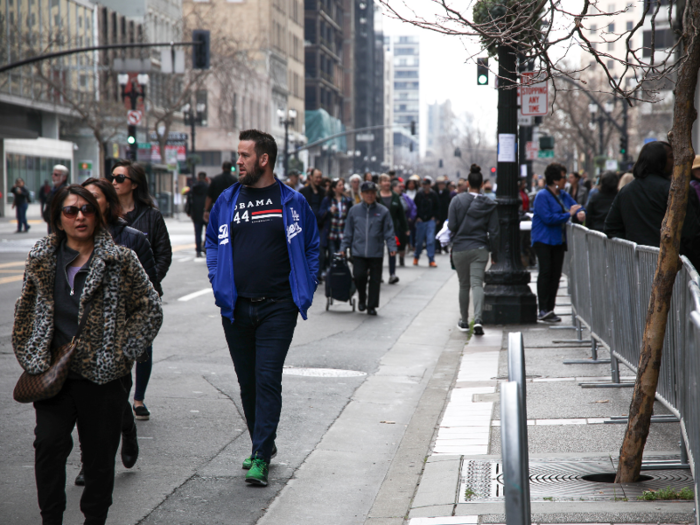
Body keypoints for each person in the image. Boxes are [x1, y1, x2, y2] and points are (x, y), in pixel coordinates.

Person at [13, 184, 162, 525]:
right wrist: (31, 355)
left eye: (87, 209)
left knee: (97, 460)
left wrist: (124, 351)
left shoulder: (120, 260)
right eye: (71, 210)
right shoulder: (41, 258)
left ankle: (94, 519)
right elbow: (25, 311)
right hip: (53, 377)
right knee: (48, 448)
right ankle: (51, 518)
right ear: (58, 218)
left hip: (103, 379)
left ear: (98, 215)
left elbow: (150, 308)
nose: (80, 216)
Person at [206, 129, 319, 487]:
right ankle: (262, 443)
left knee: (267, 378)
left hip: (278, 308)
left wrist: (307, 283)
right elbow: (211, 242)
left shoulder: (292, 201)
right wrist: (216, 278)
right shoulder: (227, 200)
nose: (237, 161)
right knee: (248, 383)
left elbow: (313, 246)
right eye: (238, 155)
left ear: (263, 160)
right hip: (236, 308)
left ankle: (260, 455)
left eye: (244, 155)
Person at [109, 160, 172, 421]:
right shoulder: (106, 215)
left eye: (120, 178)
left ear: (134, 184)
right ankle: (117, 397)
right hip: (112, 294)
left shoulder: (152, 215)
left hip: (143, 295)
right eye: (112, 177)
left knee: (143, 346)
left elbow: (163, 253)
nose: (114, 182)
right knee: (113, 346)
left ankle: (138, 399)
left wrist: (149, 283)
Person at [605, 142, 700, 267]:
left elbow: (611, 227)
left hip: (637, 266)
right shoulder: (676, 191)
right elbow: (691, 233)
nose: (674, 161)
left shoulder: (626, 191)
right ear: (659, 160)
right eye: (671, 157)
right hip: (673, 268)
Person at [448, 164, 499, 335]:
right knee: (478, 284)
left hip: (460, 248)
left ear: (468, 183)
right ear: (482, 184)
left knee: (464, 285)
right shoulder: (489, 204)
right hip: (480, 248)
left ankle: (464, 321)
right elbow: (494, 231)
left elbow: (452, 225)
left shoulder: (456, 200)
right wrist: (495, 253)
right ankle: (478, 319)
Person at [532, 162, 586, 323]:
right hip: (543, 240)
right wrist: (568, 214)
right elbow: (548, 218)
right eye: (563, 177)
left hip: (558, 241)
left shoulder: (562, 194)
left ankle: (550, 309)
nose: (566, 181)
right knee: (546, 272)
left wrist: (580, 213)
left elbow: (577, 207)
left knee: (555, 275)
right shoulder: (542, 196)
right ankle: (543, 309)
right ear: (555, 180)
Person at [339, 181, 397, 315]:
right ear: (362, 194)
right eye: (367, 193)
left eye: (372, 193)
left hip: (376, 252)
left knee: (375, 280)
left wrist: (392, 246)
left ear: (375, 194)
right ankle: (362, 297)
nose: (370, 196)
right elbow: (348, 232)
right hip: (358, 251)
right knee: (359, 276)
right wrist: (343, 247)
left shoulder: (383, 211)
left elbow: (389, 231)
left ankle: (371, 306)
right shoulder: (354, 211)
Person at [378, 174, 409, 283]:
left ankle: (392, 274)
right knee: (378, 252)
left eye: (388, 181)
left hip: (392, 228)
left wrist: (406, 228)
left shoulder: (395, 196)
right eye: (384, 181)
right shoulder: (376, 196)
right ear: (380, 183)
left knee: (392, 250)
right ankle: (378, 275)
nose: (387, 183)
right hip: (378, 228)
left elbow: (401, 214)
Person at [300, 168, 327, 279]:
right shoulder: (303, 191)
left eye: (320, 177)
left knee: (320, 251)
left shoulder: (324, 192)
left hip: (320, 226)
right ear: (311, 177)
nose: (319, 180)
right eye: (317, 177)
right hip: (307, 226)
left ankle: (318, 274)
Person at [320, 178, 353, 258]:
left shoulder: (346, 200)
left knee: (342, 255)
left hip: (343, 232)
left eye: (342, 185)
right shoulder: (328, 200)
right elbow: (320, 213)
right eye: (340, 185)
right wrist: (329, 210)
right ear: (334, 188)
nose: (342, 187)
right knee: (333, 256)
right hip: (332, 232)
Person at [413, 177, 440, 267]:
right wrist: (416, 217)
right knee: (419, 241)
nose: (424, 186)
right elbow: (414, 206)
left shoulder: (433, 194)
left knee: (430, 240)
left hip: (430, 220)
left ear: (429, 185)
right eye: (423, 184)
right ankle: (416, 256)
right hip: (420, 220)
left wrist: (435, 217)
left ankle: (431, 259)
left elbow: (437, 207)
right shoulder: (419, 194)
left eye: (426, 184)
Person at [187, 172, 210, 257]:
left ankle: (198, 251)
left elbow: (189, 200)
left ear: (198, 177)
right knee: (208, 232)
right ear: (205, 177)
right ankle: (206, 247)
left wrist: (189, 211)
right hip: (206, 213)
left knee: (197, 232)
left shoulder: (193, 187)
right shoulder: (208, 187)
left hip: (196, 213)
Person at [43, 164, 70, 233]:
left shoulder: (66, 191)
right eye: (53, 174)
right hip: (51, 222)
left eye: (56, 175)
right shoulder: (53, 190)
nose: (53, 176)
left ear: (64, 177)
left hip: (59, 225)